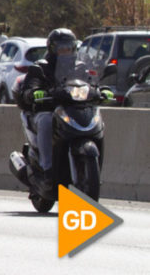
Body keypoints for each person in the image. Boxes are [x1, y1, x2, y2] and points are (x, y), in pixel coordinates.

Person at [18, 28, 112, 192]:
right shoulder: (40, 67)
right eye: (61, 48)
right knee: (46, 121)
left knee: (97, 119)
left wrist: (101, 89)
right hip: (48, 109)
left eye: (69, 47)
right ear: (52, 48)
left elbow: (90, 83)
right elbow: (31, 85)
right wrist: (34, 91)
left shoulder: (80, 67)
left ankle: (92, 173)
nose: (65, 51)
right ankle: (47, 168)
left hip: (74, 108)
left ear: (74, 48)